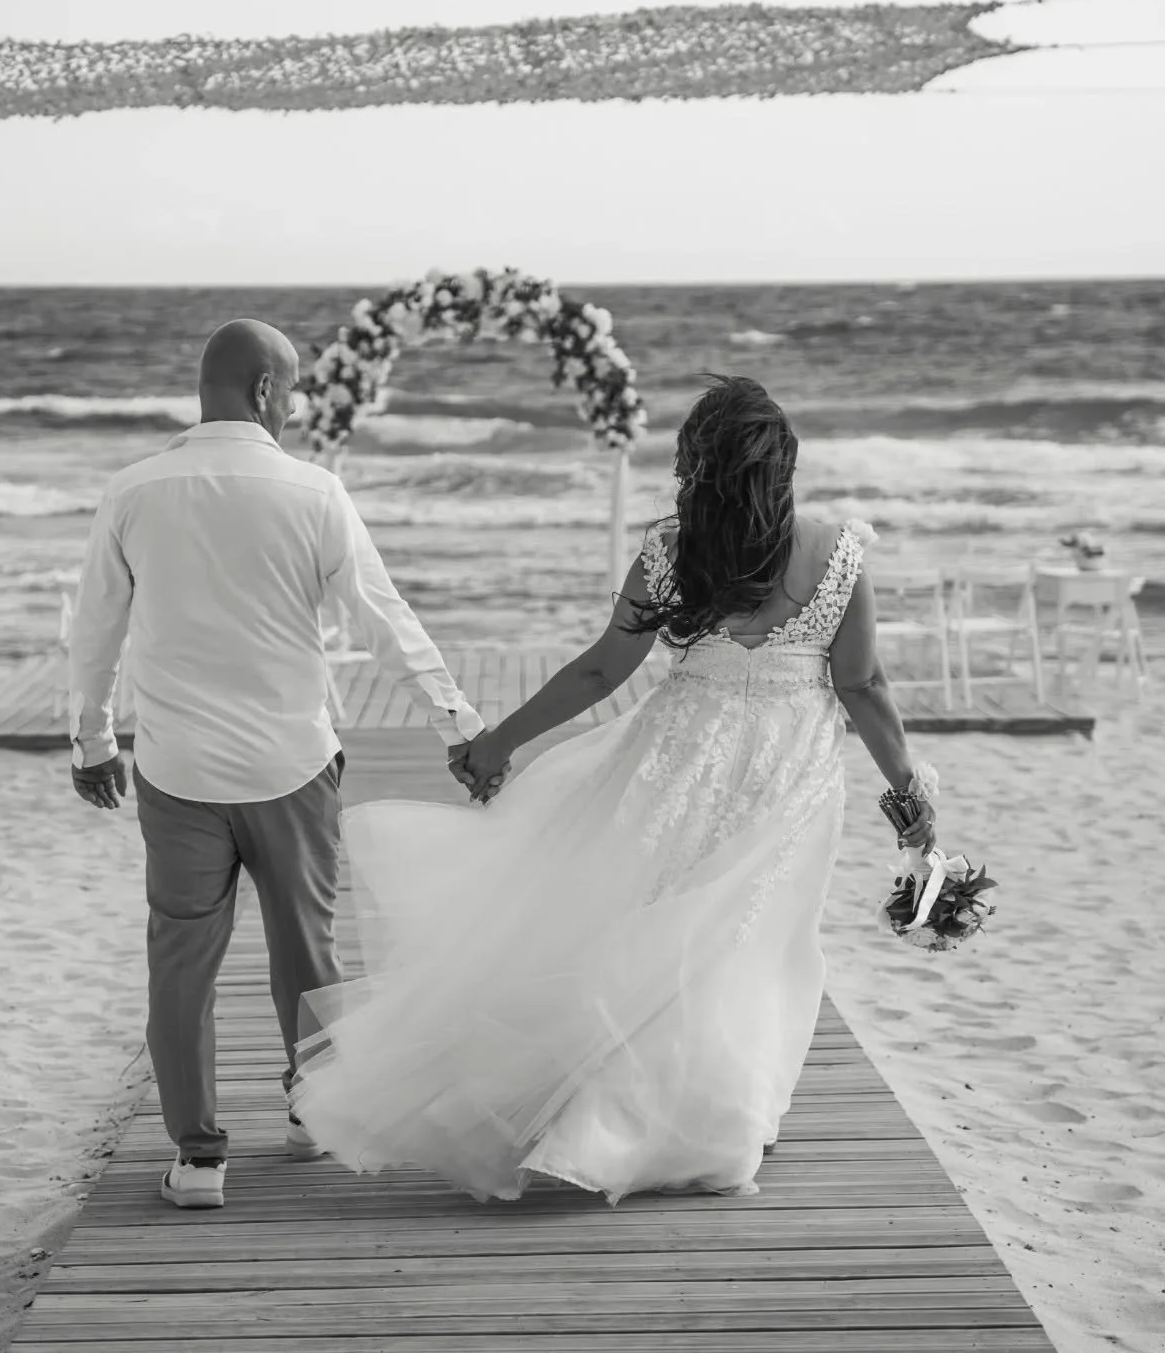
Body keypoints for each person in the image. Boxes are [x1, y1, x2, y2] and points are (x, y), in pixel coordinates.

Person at [290, 374, 937, 1205]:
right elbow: (865, 686)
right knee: (755, 942)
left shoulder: (672, 553)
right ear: (782, 469)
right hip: (787, 770)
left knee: (660, 921)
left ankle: (644, 1113)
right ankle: (718, 1121)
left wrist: (499, 743)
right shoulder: (837, 554)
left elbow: (603, 668)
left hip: (679, 755)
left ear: (698, 464)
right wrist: (910, 800)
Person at [67, 318, 496, 1210]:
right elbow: (385, 621)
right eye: (293, 388)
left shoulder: (133, 490)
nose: (297, 405)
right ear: (264, 389)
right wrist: (456, 722)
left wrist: (94, 740)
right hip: (294, 766)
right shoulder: (314, 492)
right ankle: (311, 1117)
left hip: (178, 771)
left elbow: (96, 633)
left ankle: (197, 1160)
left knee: (181, 962)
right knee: (309, 951)